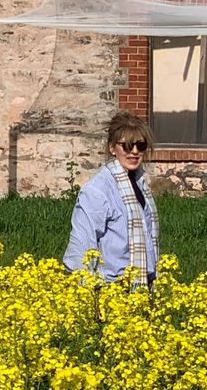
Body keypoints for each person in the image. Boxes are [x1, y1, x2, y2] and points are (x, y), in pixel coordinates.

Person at [63, 111, 159, 289]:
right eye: (127, 146)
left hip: (141, 287)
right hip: (111, 288)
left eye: (141, 145)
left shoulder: (139, 185)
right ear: (112, 148)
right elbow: (82, 245)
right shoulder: (97, 191)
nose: (135, 151)